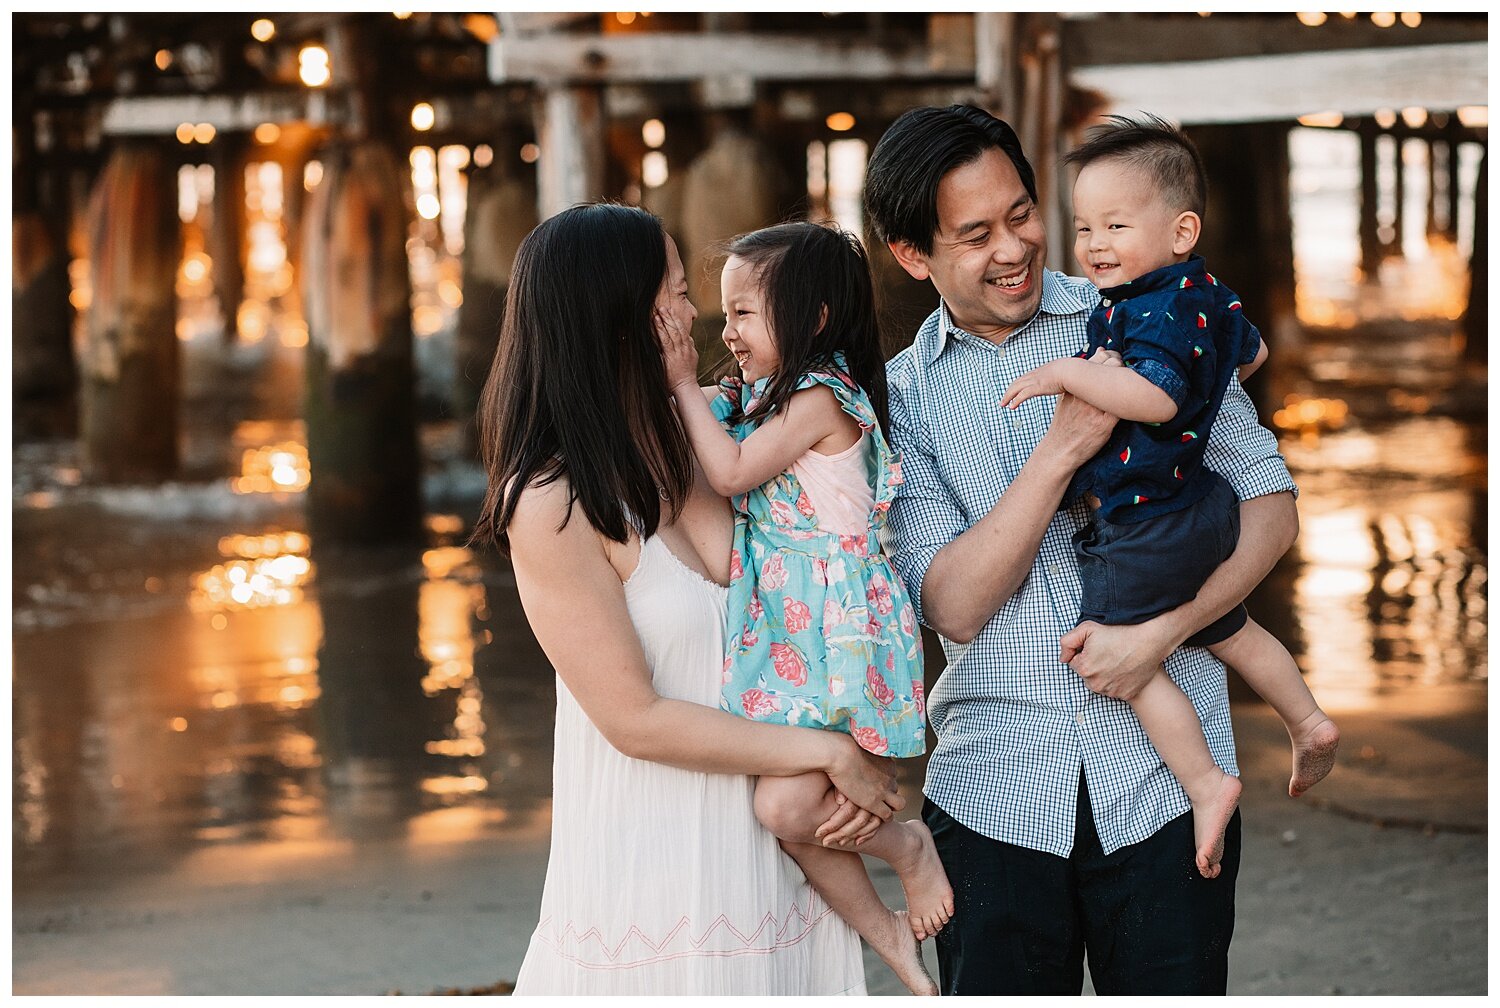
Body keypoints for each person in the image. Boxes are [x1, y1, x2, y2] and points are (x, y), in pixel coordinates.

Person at [863, 103, 1301, 995]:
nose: (1016, 247)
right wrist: (1064, 446)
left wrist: (1163, 632)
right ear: (914, 256)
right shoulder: (898, 400)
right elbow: (952, 604)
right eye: (975, 234)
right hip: (994, 794)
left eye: (1022, 214)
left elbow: (1270, 506)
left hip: (1169, 787)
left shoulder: (1142, 311)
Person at [470, 202, 903, 995]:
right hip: (654, 868)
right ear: (622, 317)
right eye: (674, 292)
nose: (696, 312)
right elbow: (635, 720)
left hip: (771, 854)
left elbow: (760, 571)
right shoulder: (550, 502)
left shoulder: (699, 435)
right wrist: (829, 753)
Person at [998, 114, 1340, 879]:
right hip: (1200, 508)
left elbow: (1150, 397)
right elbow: (1249, 353)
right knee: (1230, 628)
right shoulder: (1203, 293)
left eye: (1117, 224)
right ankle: (1307, 718)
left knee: (1107, 652)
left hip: (1147, 522)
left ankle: (1203, 778)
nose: (1094, 245)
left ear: (1181, 230)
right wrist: (1204, 393)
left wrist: (1066, 372)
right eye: (1084, 226)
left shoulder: (1151, 310)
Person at [657, 221, 953, 995]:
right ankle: (885, 929)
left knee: (789, 804)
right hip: (789, 628)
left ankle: (908, 848)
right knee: (787, 809)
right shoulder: (773, 395)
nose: (727, 334)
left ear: (814, 318)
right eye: (723, 316)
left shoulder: (822, 398)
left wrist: (685, 384)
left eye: (744, 315)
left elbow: (726, 472)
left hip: (838, 633)